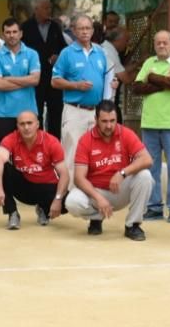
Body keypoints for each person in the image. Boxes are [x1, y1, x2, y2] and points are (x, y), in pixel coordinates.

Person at [65, 100, 154, 240]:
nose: (109, 125)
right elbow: (79, 178)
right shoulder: (85, 140)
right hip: (96, 192)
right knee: (72, 202)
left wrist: (122, 173)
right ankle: (96, 218)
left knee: (145, 176)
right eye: (104, 121)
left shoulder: (126, 133)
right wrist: (98, 198)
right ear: (96, 120)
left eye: (112, 121)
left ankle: (133, 225)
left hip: (120, 189)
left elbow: (147, 159)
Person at [131, 30, 170, 222]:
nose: (162, 46)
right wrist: (164, 82)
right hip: (149, 123)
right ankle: (154, 207)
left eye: (165, 43)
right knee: (150, 168)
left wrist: (152, 78)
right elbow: (136, 87)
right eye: (158, 43)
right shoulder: (149, 62)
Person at [0, 18, 41, 206]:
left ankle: (32, 189)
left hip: (28, 113)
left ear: (21, 33)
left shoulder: (32, 54)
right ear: (3, 34)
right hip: (4, 113)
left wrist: (10, 79)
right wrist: (24, 79)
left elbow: (36, 80)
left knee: (33, 153)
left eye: (15, 32)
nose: (11, 35)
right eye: (8, 32)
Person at [51, 15, 115, 180]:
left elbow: (108, 77)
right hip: (74, 111)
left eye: (88, 28)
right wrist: (76, 85)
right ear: (74, 30)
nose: (85, 32)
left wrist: (113, 85)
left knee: (96, 154)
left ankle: (91, 194)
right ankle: (71, 197)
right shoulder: (67, 53)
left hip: (96, 112)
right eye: (81, 28)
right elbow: (55, 81)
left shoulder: (101, 52)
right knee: (72, 155)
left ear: (93, 31)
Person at [0, 110, 70, 230]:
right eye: (22, 124)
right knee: (2, 168)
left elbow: (64, 174)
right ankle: (12, 213)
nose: (26, 127)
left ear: (37, 124)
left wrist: (58, 199)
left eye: (29, 123)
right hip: (23, 187)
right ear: (17, 126)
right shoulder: (11, 138)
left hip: (46, 187)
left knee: (69, 203)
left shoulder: (51, 141)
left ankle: (43, 208)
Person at [22, 0, 69, 138]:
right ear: (36, 9)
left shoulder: (55, 26)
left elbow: (63, 48)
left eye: (50, 7)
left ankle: (54, 143)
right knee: (37, 111)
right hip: (35, 78)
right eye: (46, 8)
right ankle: (38, 141)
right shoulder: (26, 27)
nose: (49, 10)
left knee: (56, 112)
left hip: (54, 77)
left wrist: (58, 56)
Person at [102, 27, 135, 122]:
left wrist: (138, 63)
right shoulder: (109, 52)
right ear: (118, 40)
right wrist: (144, 72)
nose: (128, 43)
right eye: (127, 40)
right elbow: (126, 78)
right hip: (106, 102)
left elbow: (119, 70)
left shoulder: (107, 48)